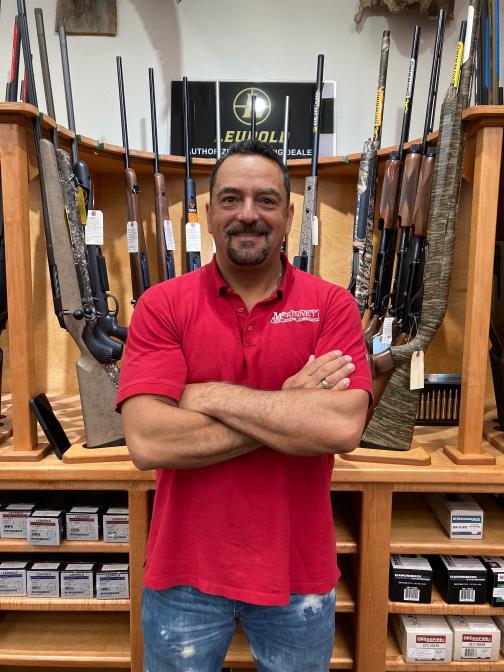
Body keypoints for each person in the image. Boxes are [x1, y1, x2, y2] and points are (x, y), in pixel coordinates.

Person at [117, 139, 372, 672]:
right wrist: (289, 408)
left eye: (266, 200)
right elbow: (148, 440)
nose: (248, 214)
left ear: (289, 216)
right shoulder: (162, 305)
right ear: (209, 214)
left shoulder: (332, 306)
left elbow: (341, 427)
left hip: (298, 574)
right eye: (231, 199)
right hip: (182, 572)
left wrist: (204, 394)